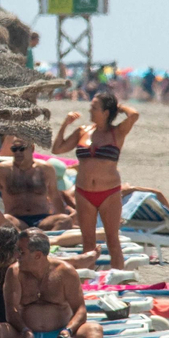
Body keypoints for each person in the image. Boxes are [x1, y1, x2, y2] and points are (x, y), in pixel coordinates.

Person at [52, 92, 139, 270]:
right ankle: (88, 284)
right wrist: (65, 124)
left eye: (94, 107)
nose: (90, 110)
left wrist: (118, 107)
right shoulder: (83, 131)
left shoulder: (117, 132)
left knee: (112, 241)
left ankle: (117, 281)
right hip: (84, 193)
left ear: (106, 112)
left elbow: (134, 115)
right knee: (88, 243)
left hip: (109, 193)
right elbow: (58, 149)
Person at [2, 229, 103, 338]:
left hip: (61, 332)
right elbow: (11, 310)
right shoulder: (14, 272)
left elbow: (80, 309)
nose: (16, 255)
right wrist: (24, 330)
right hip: (25, 333)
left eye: (21, 252)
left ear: (38, 255)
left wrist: (68, 330)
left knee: (94, 329)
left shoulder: (65, 272)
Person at [0, 139, 70, 234]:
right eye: (14, 149)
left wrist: (62, 216)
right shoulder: (1, 170)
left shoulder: (46, 169)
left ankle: (46, 241)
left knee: (65, 220)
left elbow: (55, 197)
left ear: (32, 148)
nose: (18, 152)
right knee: (5, 219)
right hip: (16, 220)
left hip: (42, 220)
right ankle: (25, 240)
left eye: (22, 148)